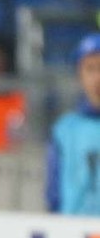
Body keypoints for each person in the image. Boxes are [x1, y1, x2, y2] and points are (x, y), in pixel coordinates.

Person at [46, 32, 100, 215]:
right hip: (73, 235)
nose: (97, 79)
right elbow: (53, 195)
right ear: (79, 75)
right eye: (90, 69)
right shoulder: (64, 130)